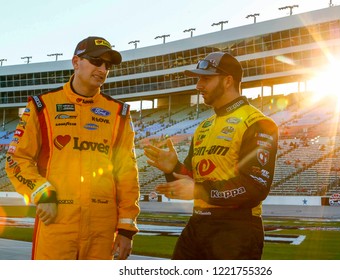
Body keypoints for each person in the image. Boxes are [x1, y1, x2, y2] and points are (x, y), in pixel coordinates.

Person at [5, 36, 140, 260]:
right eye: (97, 61)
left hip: (102, 229)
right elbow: (16, 159)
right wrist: (43, 194)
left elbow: (127, 174)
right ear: (76, 62)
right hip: (57, 222)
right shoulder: (42, 106)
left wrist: (127, 229)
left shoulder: (119, 114)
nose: (103, 69)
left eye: (108, 65)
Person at [144, 52, 278, 259]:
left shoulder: (257, 122)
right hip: (198, 223)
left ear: (227, 81)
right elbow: (191, 178)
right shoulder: (203, 127)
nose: (198, 85)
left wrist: (199, 190)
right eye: (198, 79)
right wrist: (173, 168)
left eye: (205, 78)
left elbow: (255, 186)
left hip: (236, 229)